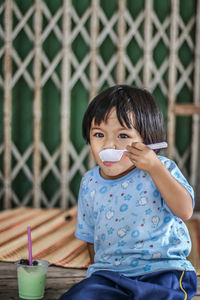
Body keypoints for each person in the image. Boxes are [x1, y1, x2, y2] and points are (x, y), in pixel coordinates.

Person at [59, 85, 197, 300]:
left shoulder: (162, 168)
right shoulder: (90, 182)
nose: (108, 145)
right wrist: (99, 273)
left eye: (123, 135)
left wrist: (155, 168)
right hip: (110, 277)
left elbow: (185, 211)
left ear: (148, 141)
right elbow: (90, 236)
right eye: (98, 134)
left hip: (164, 271)